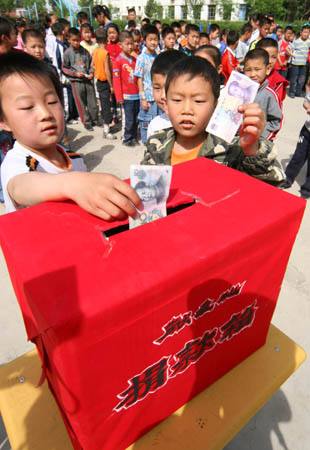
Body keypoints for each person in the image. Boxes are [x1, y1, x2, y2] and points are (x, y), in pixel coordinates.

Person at [0, 52, 141, 218]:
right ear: (3, 121)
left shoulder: (74, 159)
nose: (45, 113)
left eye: (52, 102)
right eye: (27, 107)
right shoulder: (16, 161)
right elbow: (20, 186)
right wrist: (73, 183)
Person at [141, 56, 284, 186]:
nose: (186, 109)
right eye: (177, 100)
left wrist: (252, 150)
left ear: (215, 106)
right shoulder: (156, 142)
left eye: (199, 101)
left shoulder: (231, 148)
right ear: (166, 103)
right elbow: (146, 196)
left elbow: (272, 190)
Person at [63, 27, 98, 131]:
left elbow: (91, 64)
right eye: (74, 40)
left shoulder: (85, 51)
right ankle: (86, 121)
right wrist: (75, 74)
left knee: (92, 101)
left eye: (78, 40)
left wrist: (91, 72)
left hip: (87, 80)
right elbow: (64, 68)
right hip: (76, 81)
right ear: (69, 40)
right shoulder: (68, 53)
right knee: (81, 103)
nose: (76, 43)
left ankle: (94, 118)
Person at [244, 48, 283, 141]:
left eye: (257, 69)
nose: (253, 74)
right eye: (248, 70)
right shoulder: (239, 90)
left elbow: (276, 122)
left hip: (259, 141)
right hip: (238, 139)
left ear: (268, 69)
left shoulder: (270, 94)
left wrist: (261, 138)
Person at [147, 50, 187, 139]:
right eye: (157, 88)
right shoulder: (155, 126)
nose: (163, 96)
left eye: (169, 88)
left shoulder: (199, 123)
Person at [134, 25, 160, 144]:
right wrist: (142, 98)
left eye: (155, 39)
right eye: (151, 39)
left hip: (158, 96)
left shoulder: (159, 56)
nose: (153, 42)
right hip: (147, 97)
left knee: (157, 121)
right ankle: (146, 143)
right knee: (146, 121)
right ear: (145, 41)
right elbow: (139, 79)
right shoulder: (141, 58)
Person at [113, 31, 140, 146]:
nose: (130, 47)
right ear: (120, 45)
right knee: (128, 119)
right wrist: (119, 97)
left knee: (136, 118)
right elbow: (116, 80)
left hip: (137, 95)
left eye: (132, 44)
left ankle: (133, 136)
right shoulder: (117, 61)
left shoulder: (135, 60)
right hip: (126, 96)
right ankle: (127, 138)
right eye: (127, 44)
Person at [282, 90, 310, 198]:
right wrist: (307, 106)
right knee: (298, 156)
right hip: (306, 130)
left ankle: (307, 189)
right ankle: (287, 179)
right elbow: (305, 101)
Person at [52, 22, 79, 125]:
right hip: (63, 77)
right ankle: (67, 117)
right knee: (66, 97)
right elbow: (58, 63)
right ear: (63, 31)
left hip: (67, 76)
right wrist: (62, 77)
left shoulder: (63, 45)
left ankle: (72, 115)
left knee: (70, 95)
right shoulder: (58, 46)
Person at [92, 28, 115, 139]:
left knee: (103, 103)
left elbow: (92, 65)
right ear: (106, 39)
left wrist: (97, 70)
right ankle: (106, 130)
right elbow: (107, 71)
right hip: (105, 81)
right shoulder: (105, 53)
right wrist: (111, 85)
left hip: (98, 81)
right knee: (107, 105)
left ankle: (107, 126)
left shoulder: (96, 51)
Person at [256, 38, 289, 107]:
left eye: (273, 57)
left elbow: (275, 108)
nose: (270, 61)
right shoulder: (250, 75)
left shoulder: (278, 82)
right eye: (266, 56)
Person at [288, 26, 310, 98]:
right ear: (301, 33)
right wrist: (292, 55)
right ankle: (291, 92)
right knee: (293, 79)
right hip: (295, 64)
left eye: (308, 33)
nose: (306, 34)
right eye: (305, 32)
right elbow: (288, 48)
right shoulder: (296, 41)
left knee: (302, 79)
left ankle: (298, 92)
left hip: (303, 64)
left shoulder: (308, 42)